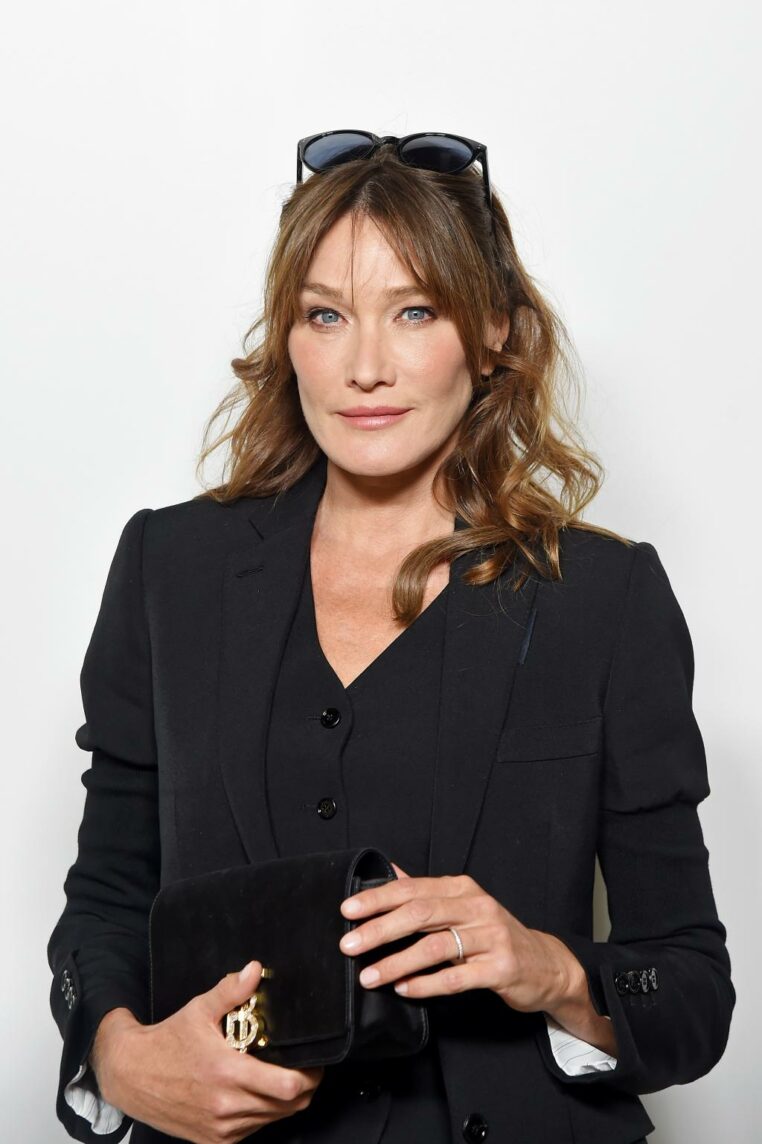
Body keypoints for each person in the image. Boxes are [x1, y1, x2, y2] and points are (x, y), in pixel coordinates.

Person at [48, 131, 735, 1144]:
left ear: (493, 331)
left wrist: (550, 967)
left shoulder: (602, 597)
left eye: (416, 311)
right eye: (325, 315)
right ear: (289, 337)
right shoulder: (171, 569)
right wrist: (118, 1054)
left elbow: (690, 989)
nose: (365, 367)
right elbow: (107, 899)